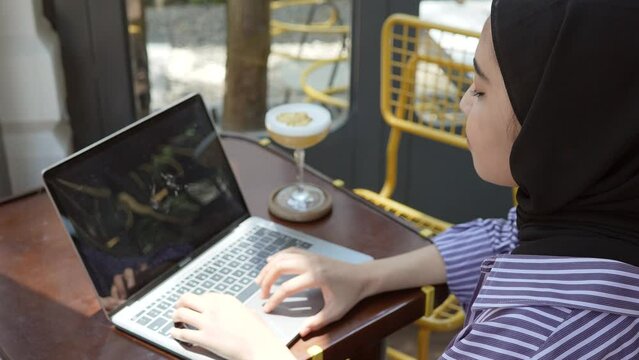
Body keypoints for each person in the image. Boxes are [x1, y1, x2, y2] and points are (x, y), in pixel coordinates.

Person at [170, 0, 639, 358]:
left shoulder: (538, 337)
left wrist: (259, 349)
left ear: (557, 122)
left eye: (479, 89)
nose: (461, 103)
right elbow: (508, 237)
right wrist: (364, 277)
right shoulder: (597, 216)